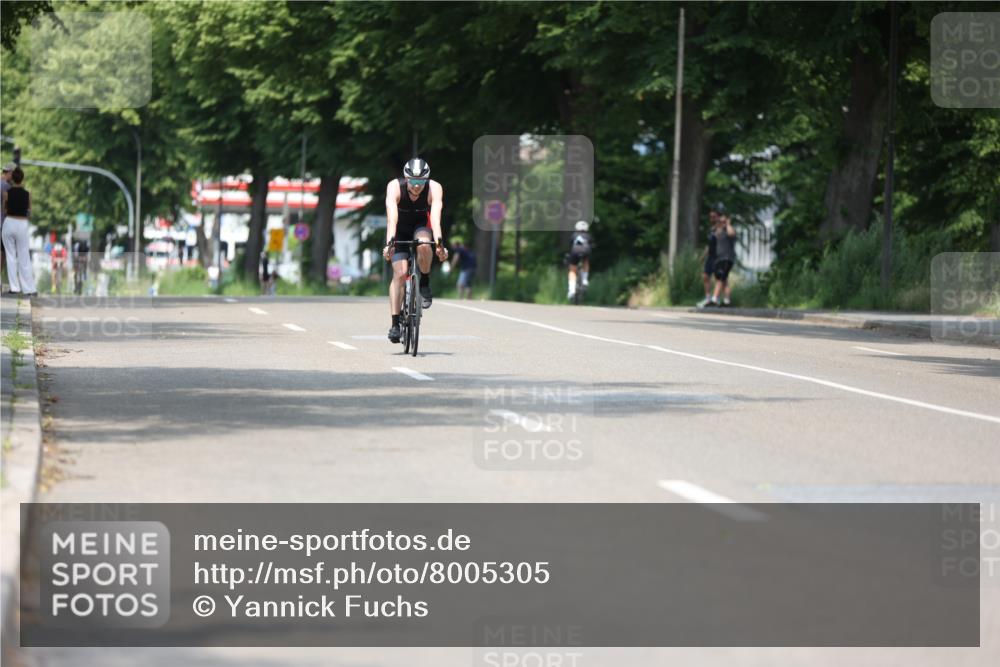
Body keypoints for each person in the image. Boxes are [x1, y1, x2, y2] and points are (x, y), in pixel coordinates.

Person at [382, 158, 448, 343]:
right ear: (406, 178)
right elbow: (392, 219)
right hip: (399, 228)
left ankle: (424, 282)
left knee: (425, 245)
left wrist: (440, 244)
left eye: (421, 182)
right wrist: (390, 243)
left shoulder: (434, 188)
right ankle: (395, 323)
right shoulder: (394, 187)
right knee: (400, 274)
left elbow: (435, 219)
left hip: (421, 225)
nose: (417, 186)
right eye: (413, 181)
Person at [1, 167, 37, 296]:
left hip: (9, 223)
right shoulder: (28, 194)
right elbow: (29, 212)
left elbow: (5, 211)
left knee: (10, 256)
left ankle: (14, 288)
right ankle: (29, 289)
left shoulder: (6, 193)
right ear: (22, 179)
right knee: (23, 255)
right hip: (22, 224)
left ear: (12, 178)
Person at [706, 207, 736, 307]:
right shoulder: (718, 230)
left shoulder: (729, 229)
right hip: (719, 258)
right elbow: (713, 233)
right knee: (724, 280)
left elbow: (731, 233)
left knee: (719, 278)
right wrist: (719, 223)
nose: (721, 222)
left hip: (727, 258)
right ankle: (727, 301)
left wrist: (727, 223)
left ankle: (714, 299)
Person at [566, 220, 593, 300]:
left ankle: (571, 290)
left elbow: (570, 245)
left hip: (575, 251)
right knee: (586, 261)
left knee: (572, 270)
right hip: (586, 251)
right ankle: (585, 280)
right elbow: (592, 245)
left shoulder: (574, 235)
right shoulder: (589, 236)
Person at [697, 214, 718, 308]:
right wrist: (703, 256)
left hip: (719, 256)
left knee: (720, 278)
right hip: (710, 256)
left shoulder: (721, 229)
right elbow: (709, 245)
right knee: (705, 276)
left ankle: (717, 299)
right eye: (711, 217)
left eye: (714, 216)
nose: (712, 218)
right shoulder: (711, 230)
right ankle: (708, 298)